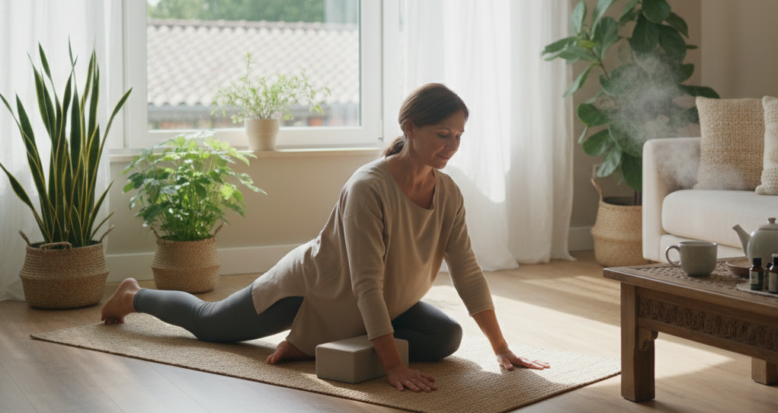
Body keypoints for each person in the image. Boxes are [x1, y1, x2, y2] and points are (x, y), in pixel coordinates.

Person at [101, 83, 549, 392]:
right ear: (409, 128)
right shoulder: (368, 186)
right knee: (210, 323)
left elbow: (467, 270)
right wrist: (392, 366)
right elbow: (364, 283)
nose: (451, 146)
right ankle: (134, 295)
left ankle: (314, 344)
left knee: (446, 337)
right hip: (315, 289)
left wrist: (502, 349)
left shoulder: (447, 191)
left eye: (458, 136)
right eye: (442, 134)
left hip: (384, 299)